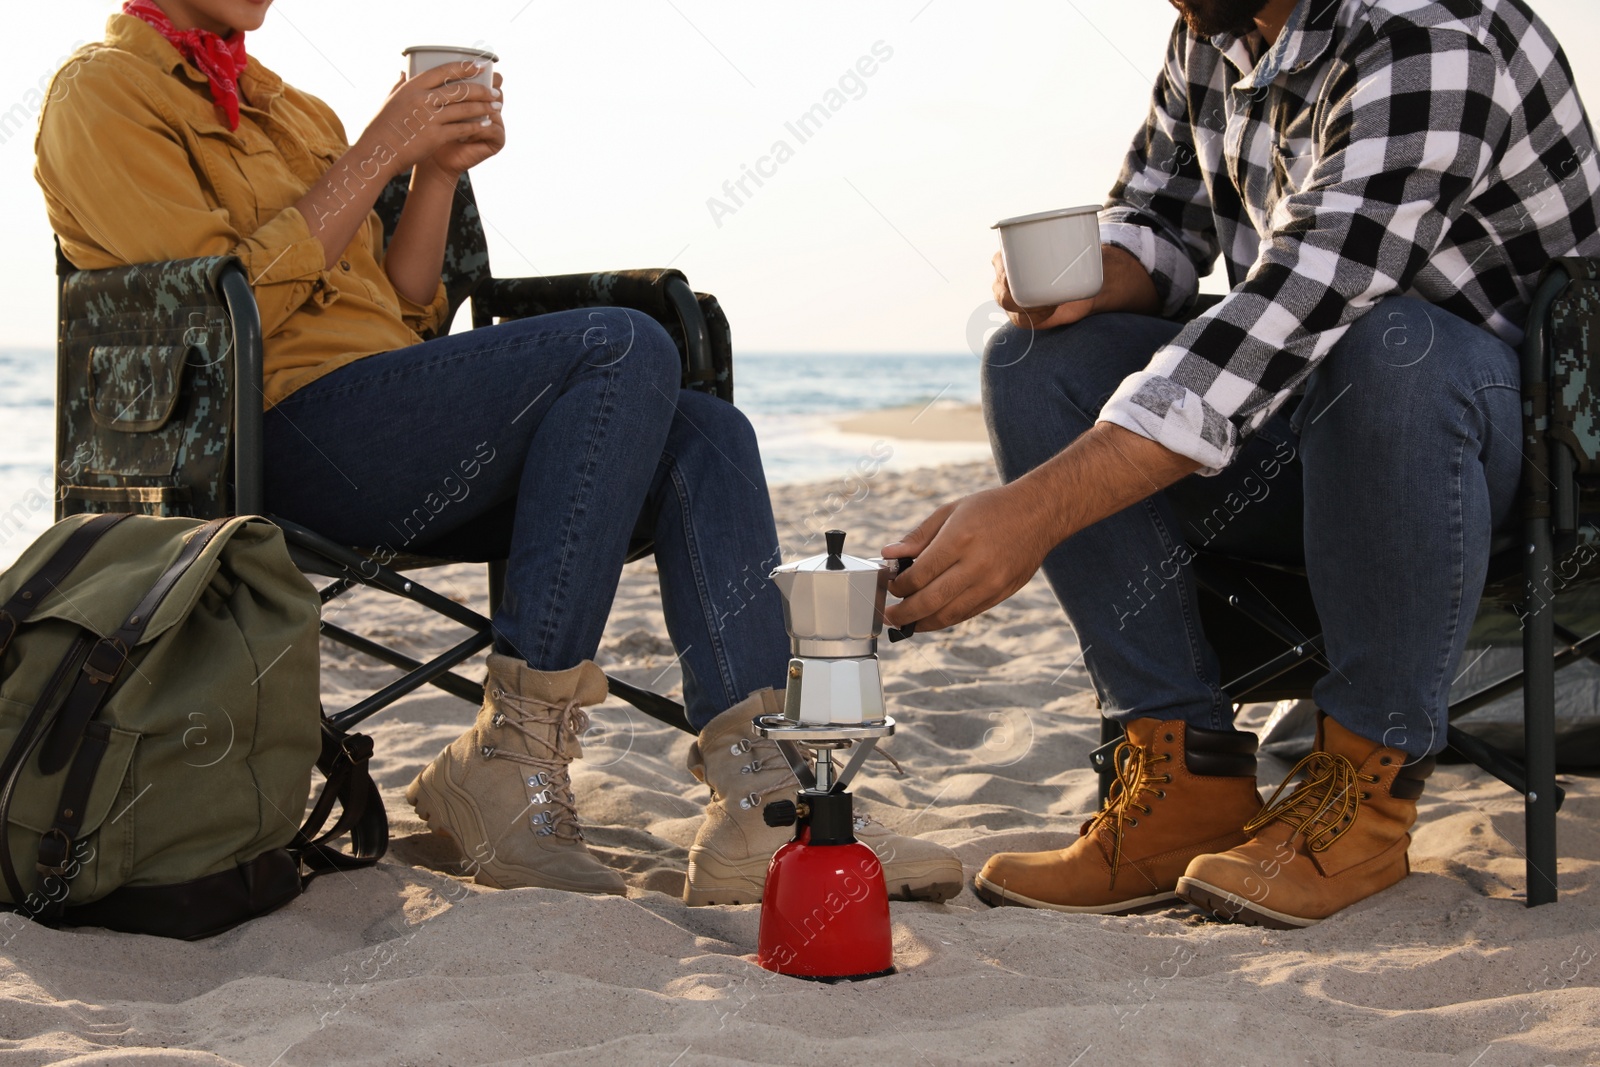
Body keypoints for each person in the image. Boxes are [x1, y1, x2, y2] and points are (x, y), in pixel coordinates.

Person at [34, 0, 961, 904]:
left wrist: (431, 172)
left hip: (394, 428)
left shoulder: (295, 110)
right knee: (621, 341)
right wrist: (377, 153)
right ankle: (513, 752)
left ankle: (766, 796)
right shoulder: (102, 95)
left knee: (708, 433)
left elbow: (400, 310)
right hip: (263, 439)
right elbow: (212, 318)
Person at [884, 0, 1600, 927]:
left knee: (1394, 342)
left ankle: (1362, 794)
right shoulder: (1213, 28)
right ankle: (1185, 782)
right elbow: (1163, 222)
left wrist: (1032, 513)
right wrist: (1091, 271)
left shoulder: (1433, 37)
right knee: (1035, 362)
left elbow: (1305, 296)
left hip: (1508, 462)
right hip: (1314, 432)